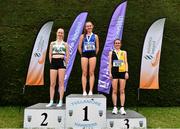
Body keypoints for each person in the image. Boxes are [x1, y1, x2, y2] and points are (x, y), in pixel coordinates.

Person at [46, 28, 69, 107]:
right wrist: (51, 61)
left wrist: (65, 63)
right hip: (54, 62)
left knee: (61, 83)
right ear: (56, 33)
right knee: (52, 83)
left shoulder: (65, 44)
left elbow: (68, 55)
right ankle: (51, 101)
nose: (60, 34)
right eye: (59, 32)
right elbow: (49, 54)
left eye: (61, 33)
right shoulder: (52, 43)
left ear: (63, 34)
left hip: (61, 62)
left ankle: (60, 100)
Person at [78, 21, 99, 96]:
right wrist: (82, 54)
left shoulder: (95, 36)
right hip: (84, 55)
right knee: (84, 72)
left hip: (92, 55)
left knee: (91, 72)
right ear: (85, 27)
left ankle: (90, 90)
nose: (89, 27)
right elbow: (79, 47)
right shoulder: (82, 36)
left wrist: (94, 54)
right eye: (87, 26)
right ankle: (84, 90)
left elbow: (97, 47)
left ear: (92, 26)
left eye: (90, 26)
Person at [109, 39, 129, 115]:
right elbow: (110, 63)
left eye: (118, 43)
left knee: (122, 90)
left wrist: (126, 72)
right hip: (114, 73)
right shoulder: (111, 53)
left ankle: (122, 108)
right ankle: (115, 107)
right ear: (114, 44)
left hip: (122, 72)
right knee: (114, 90)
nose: (117, 44)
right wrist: (110, 73)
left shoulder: (124, 52)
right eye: (116, 43)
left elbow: (126, 62)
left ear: (120, 44)